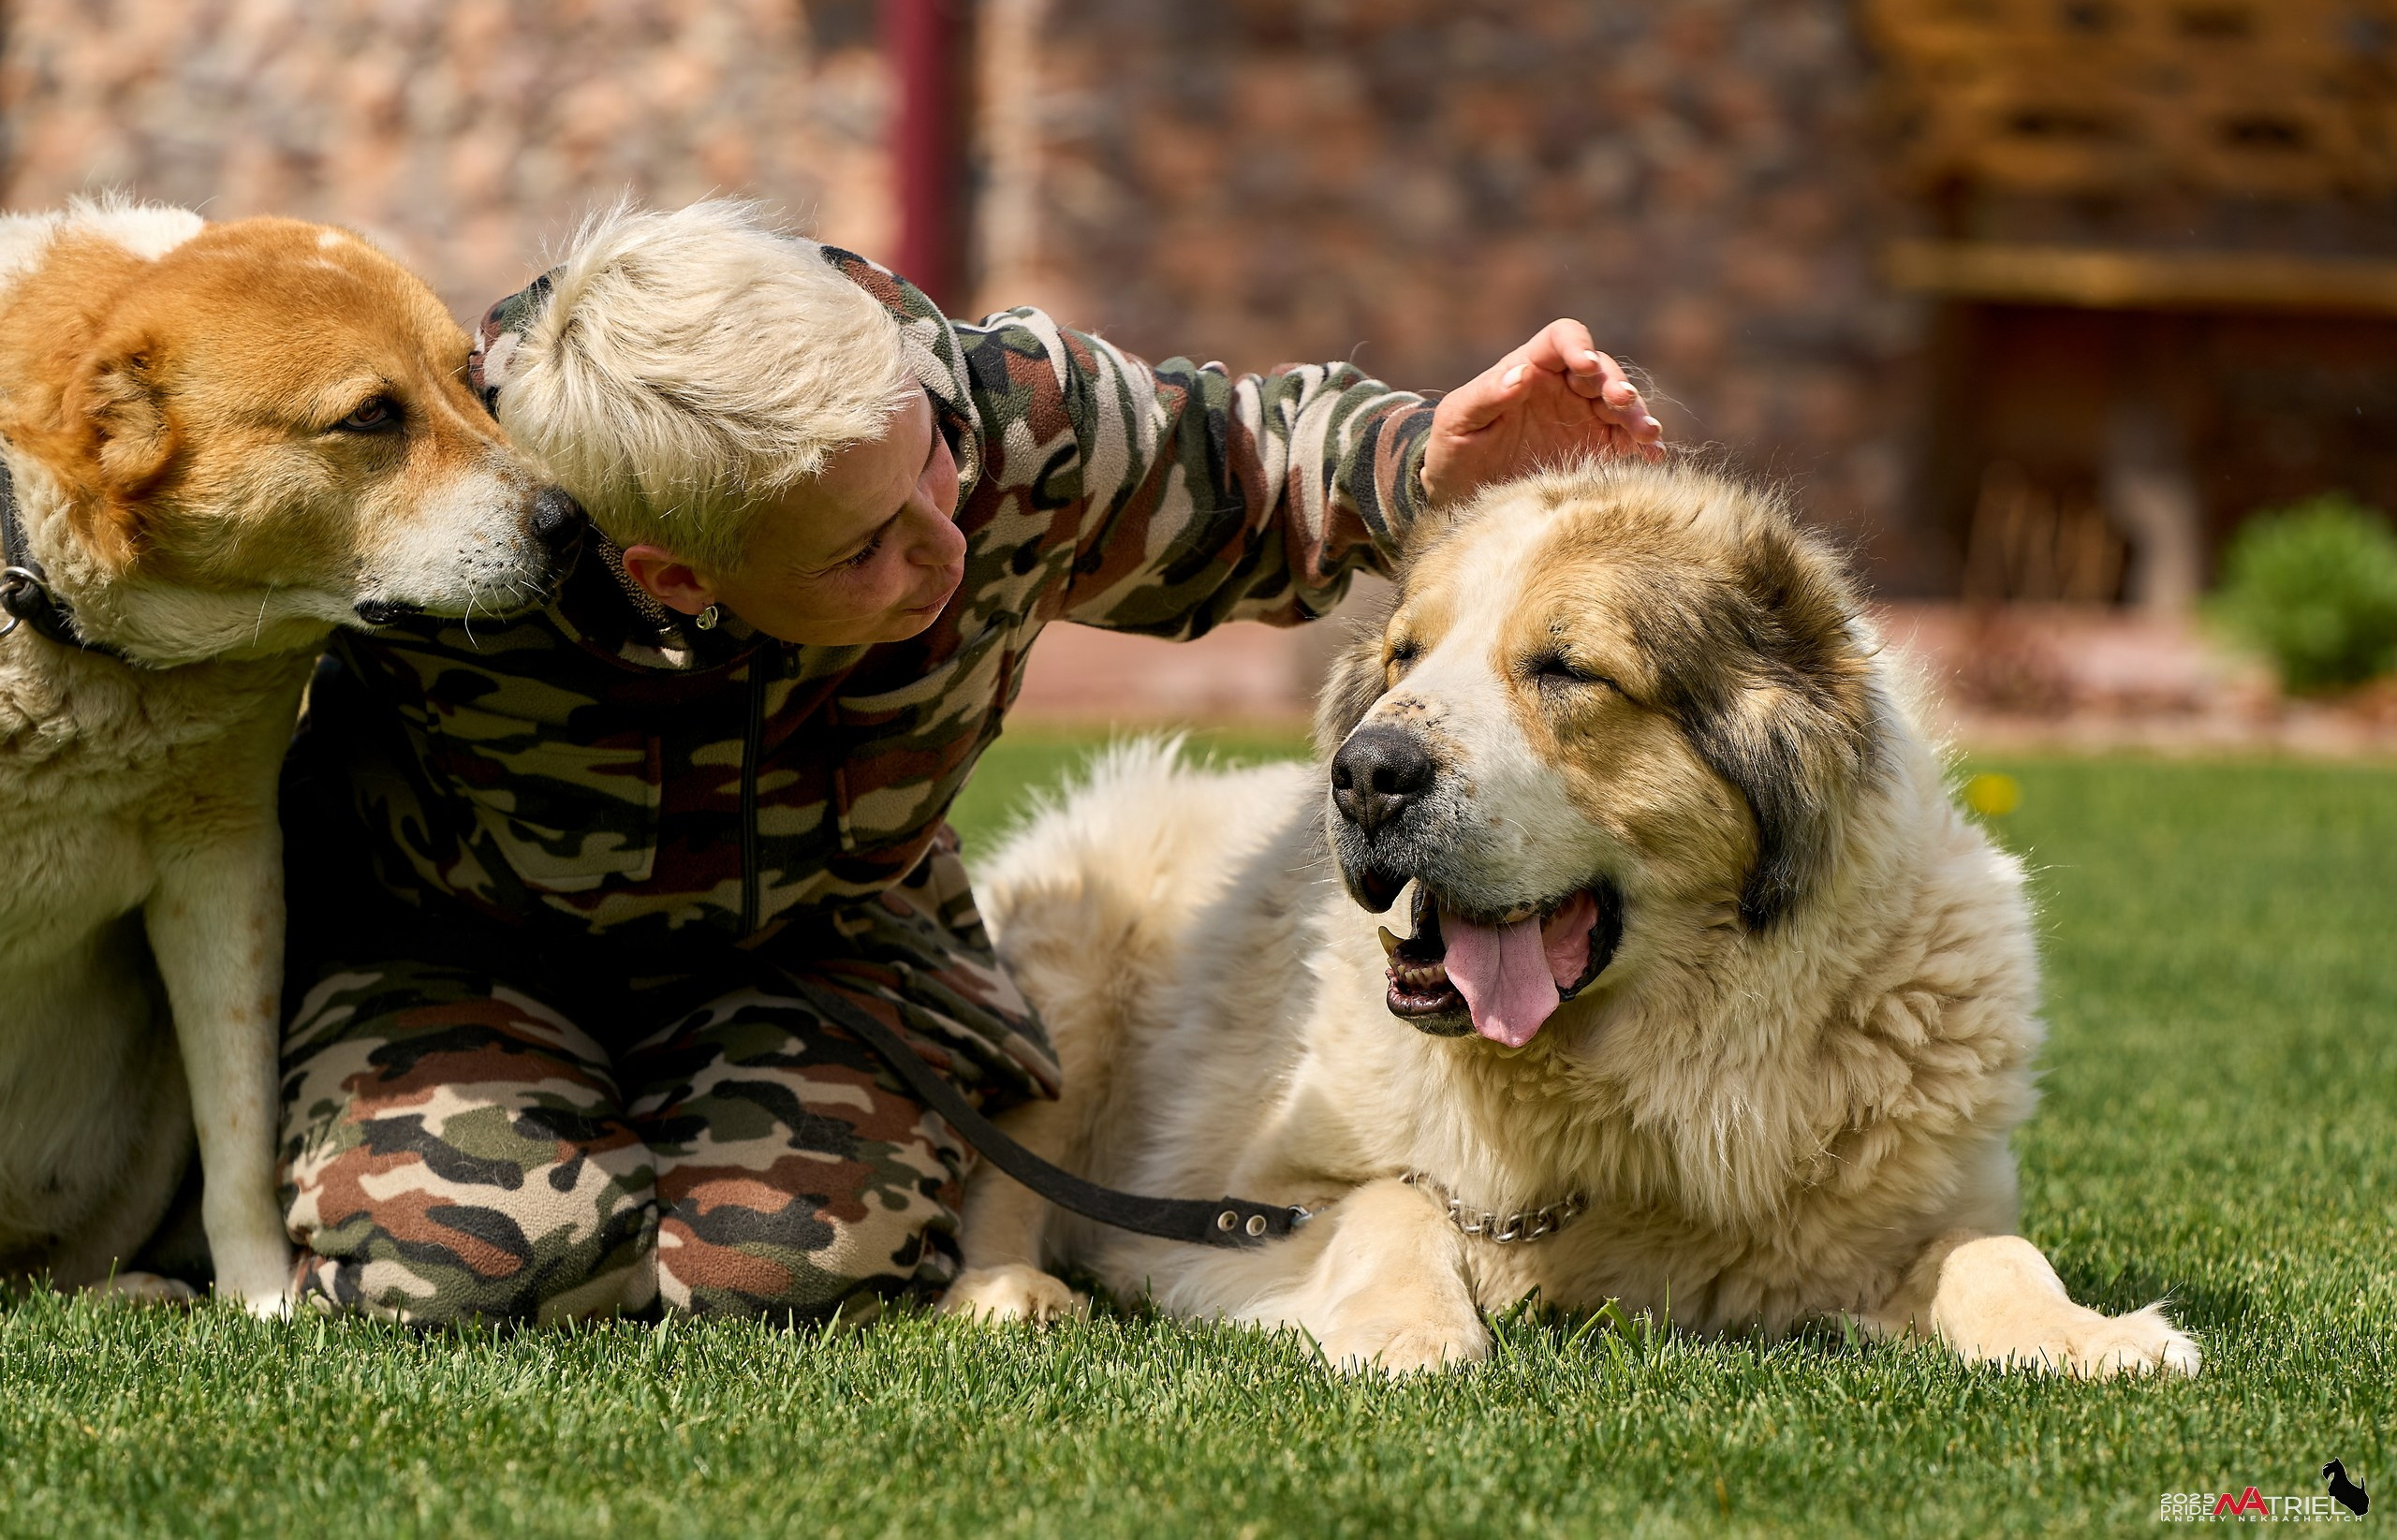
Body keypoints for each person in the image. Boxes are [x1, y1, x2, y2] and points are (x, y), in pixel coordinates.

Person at [274, 200, 1663, 1324]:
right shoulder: (436, 527)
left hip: (823, 947)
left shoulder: (996, 411)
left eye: (929, 466)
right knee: (483, 1267)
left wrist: (1426, 455)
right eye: (861, 549)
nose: (943, 542)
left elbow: (1242, 456)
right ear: (677, 574)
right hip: (457, 953)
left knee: (790, 1278)